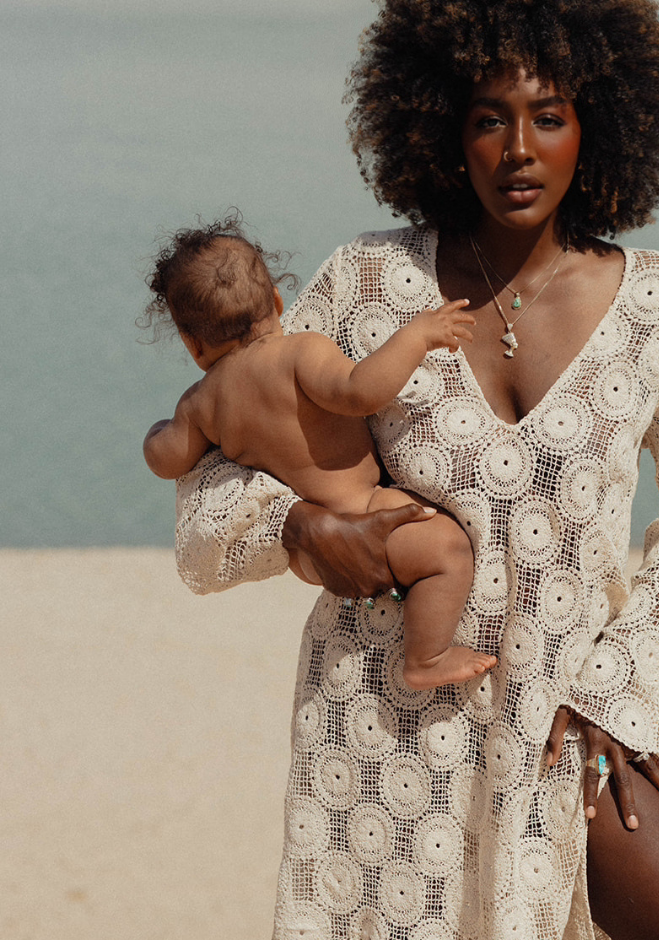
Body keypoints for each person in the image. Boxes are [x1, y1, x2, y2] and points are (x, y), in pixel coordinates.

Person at [173, 0, 659, 940]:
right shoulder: (363, 286)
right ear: (444, 130)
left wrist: (627, 693)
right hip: (383, 736)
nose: (517, 149)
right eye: (489, 120)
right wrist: (305, 528)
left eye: (548, 117)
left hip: (567, 730)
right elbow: (212, 508)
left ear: (597, 127)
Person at [142, 217, 496, 690]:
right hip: (366, 514)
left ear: (192, 343)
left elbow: (167, 461)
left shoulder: (202, 402)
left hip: (312, 555)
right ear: (275, 302)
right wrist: (418, 336)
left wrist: (157, 431)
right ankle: (426, 657)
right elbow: (360, 391)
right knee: (449, 551)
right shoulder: (299, 352)